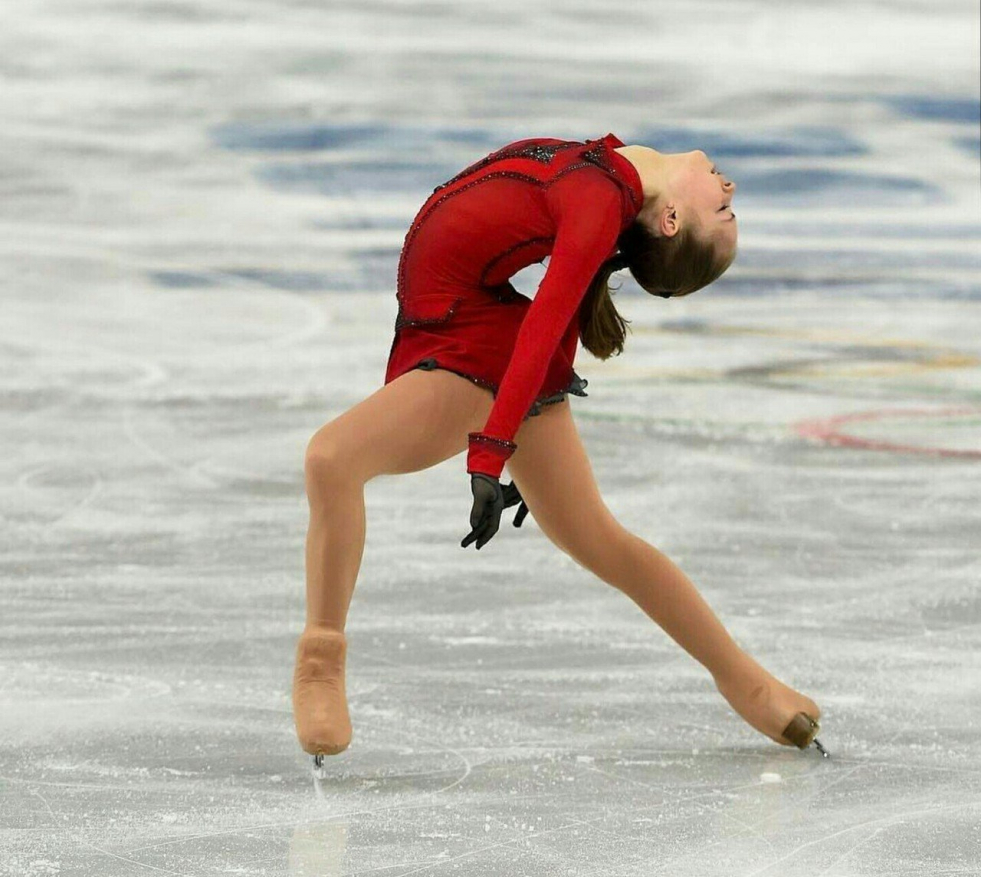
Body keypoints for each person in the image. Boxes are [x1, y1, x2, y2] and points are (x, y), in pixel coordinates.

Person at [293, 133, 827, 769]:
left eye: (723, 212)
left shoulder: (604, 200)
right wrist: (513, 425)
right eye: (729, 207)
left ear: (673, 218)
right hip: (469, 323)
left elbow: (549, 317)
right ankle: (753, 686)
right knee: (601, 541)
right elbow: (567, 297)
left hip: (476, 346)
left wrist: (492, 449)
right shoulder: (616, 179)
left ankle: (320, 666)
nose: (730, 189)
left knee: (331, 460)